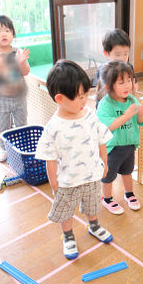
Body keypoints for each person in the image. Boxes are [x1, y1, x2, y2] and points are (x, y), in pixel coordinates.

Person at [35, 60, 114, 260]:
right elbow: (50, 159)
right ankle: (68, 236)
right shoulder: (53, 127)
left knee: (92, 204)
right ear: (60, 98)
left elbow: (101, 139)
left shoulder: (89, 115)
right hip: (67, 181)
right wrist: (54, 184)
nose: (84, 101)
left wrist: (104, 163)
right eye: (80, 97)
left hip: (91, 174)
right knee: (66, 211)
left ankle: (94, 226)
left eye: (86, 95)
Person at [96, 61, 143, 214]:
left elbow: (141, 121)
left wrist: (140, 113)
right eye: (121, 82)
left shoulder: (132, 100)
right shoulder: (105, 104)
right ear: (108, 87)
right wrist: (126, 115)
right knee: (108, 176)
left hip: (129, 145)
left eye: (129, 80)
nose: (127, 86)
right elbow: (108, 126)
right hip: (111, 148)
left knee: (127, 171)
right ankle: (106, 198)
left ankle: (129, 194)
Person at [0, 14, 30, 162]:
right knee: (3, 125)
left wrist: (21, 62)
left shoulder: (17, 51)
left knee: (22, 123)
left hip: (19, 95)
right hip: (0, 97)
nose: (4, 34)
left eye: (7, 30)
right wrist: (0, 65)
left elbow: (25, 72)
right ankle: (3, 148)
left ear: (13, 34)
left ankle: (23, 145)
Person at [94, 28, 137, 103]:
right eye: (117, 55)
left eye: (125, 54)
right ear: (106, 53)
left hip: (123, 102)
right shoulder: (103, 70)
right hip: (107, 104)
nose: (122, 58)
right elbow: (98, 92)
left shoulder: (128, 67)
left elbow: (134, 85)